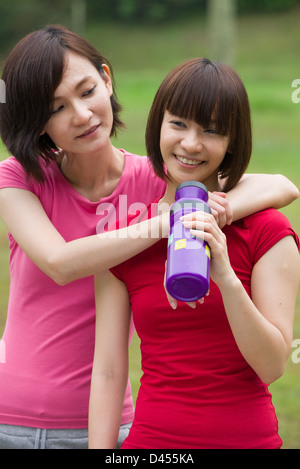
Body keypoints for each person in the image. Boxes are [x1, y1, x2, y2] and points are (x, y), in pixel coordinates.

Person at [0, 26, 297, 449]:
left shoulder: (155, 177)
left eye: (86, 91)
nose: (81, 115)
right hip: (13, 418)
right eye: (56, 107)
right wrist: (168, 221)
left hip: (111, 426)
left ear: (107, 78)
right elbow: (60, 262)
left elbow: (281, 185)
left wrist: (202, 211)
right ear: (36, 120)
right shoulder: (18, 178)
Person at [89, 58, 300, 449]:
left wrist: (225, 275)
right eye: (179, 124)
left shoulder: (267, 231)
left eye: (212, 130)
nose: (191, 144)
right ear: (158, 126)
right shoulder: (126, 243)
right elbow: (108, 371)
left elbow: (272, 366)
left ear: (232, 142)